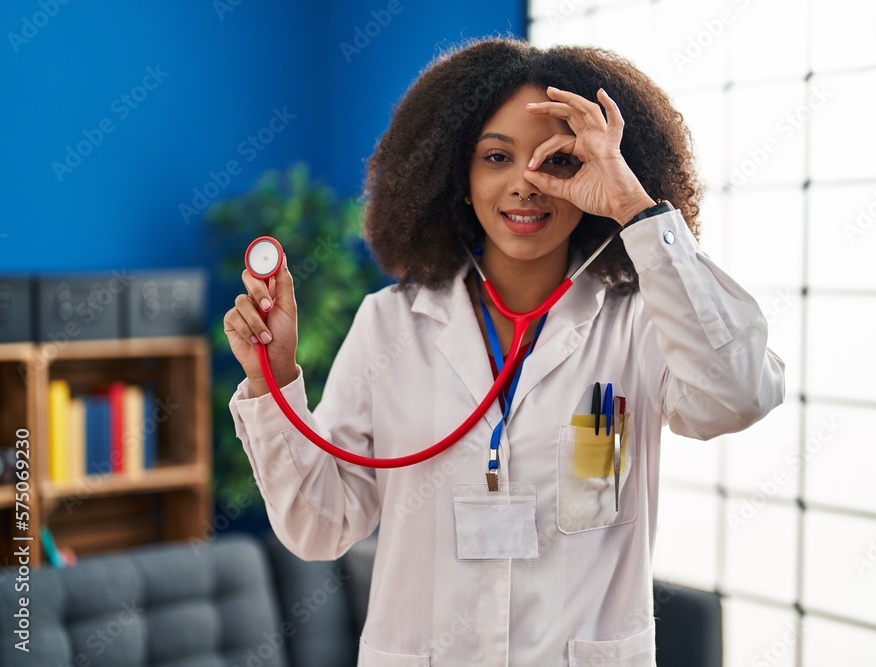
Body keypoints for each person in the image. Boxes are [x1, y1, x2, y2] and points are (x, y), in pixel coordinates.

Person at [225, 37, 784, 666]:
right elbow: (318, 526)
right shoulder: (390, 326)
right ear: (458, 178)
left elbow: (738, 394)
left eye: (561, 160)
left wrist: (634, 206)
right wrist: (274, 381)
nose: (527, 183)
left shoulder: (639, 324)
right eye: (497, 156)